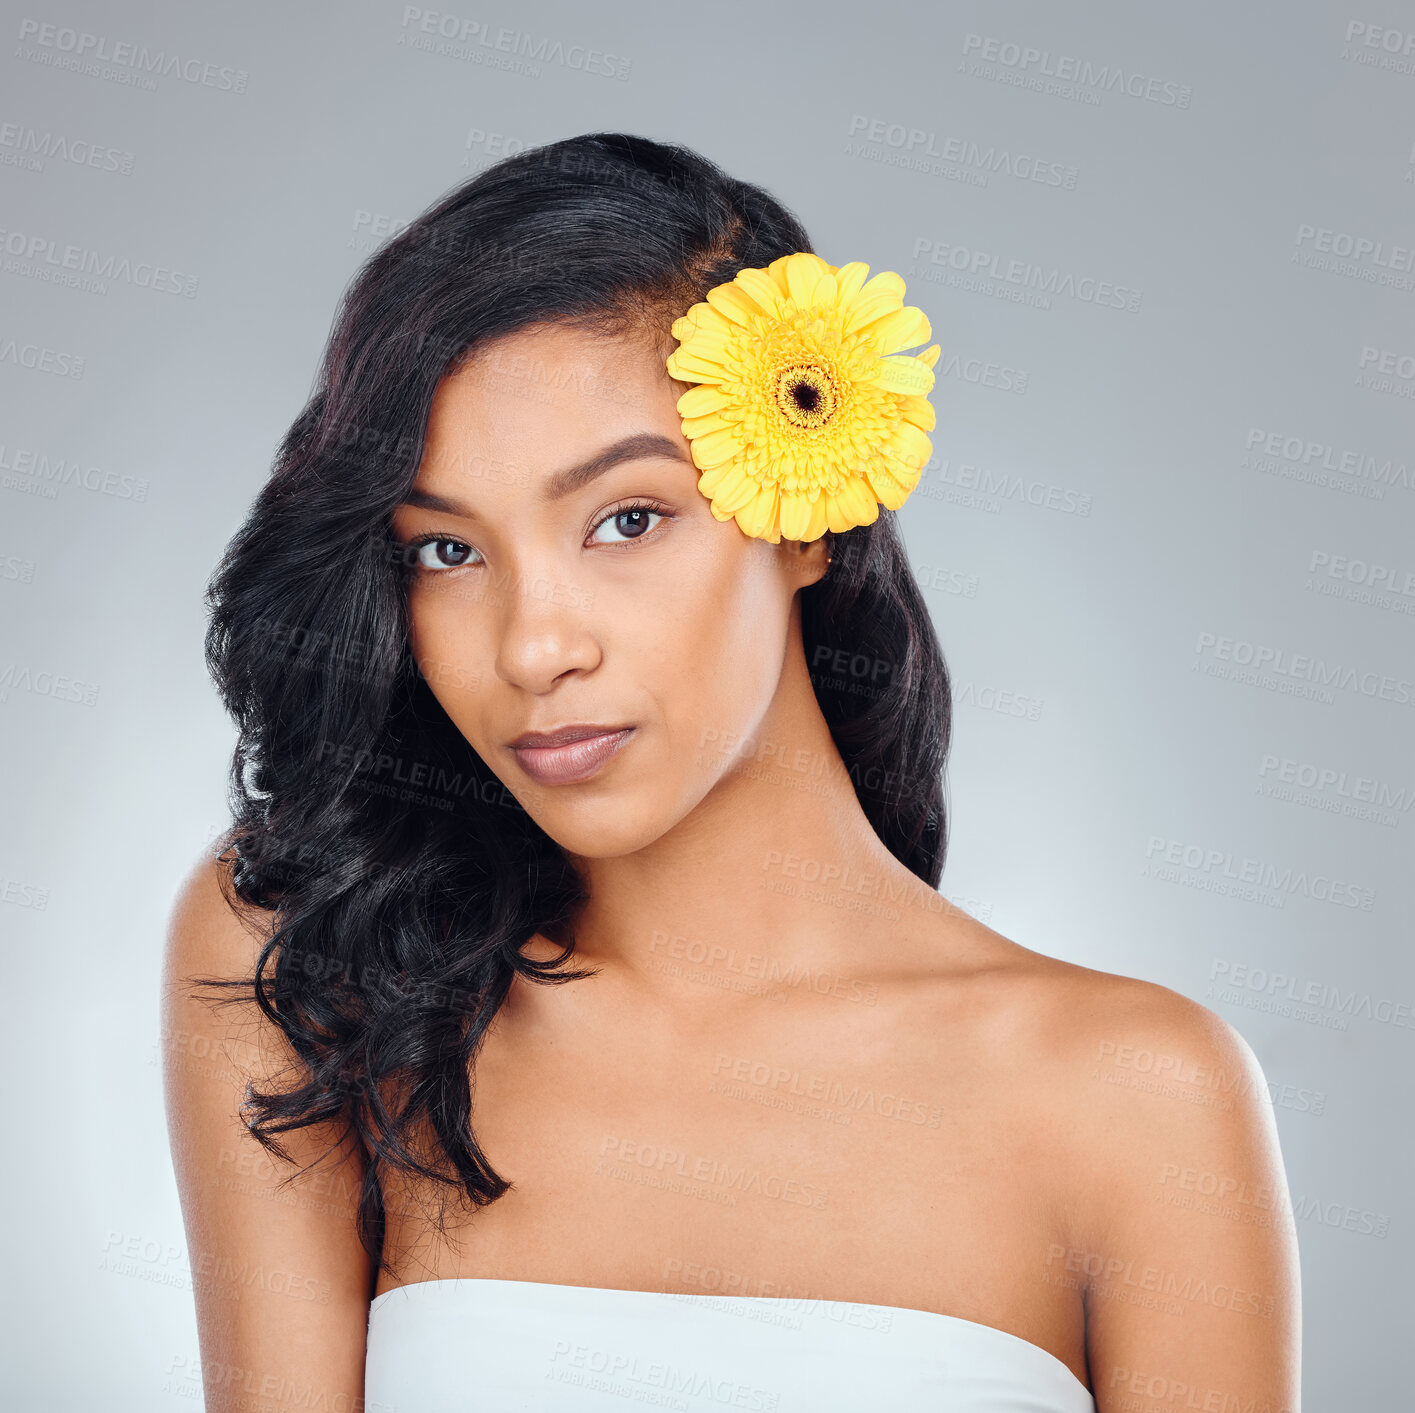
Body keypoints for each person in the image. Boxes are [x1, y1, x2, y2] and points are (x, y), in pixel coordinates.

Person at [162, 131, 1300, 1411]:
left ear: (805, 512)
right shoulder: (314, 964)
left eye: (626, 520)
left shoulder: (1138, 1098)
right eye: (445, 553)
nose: (533, 647)